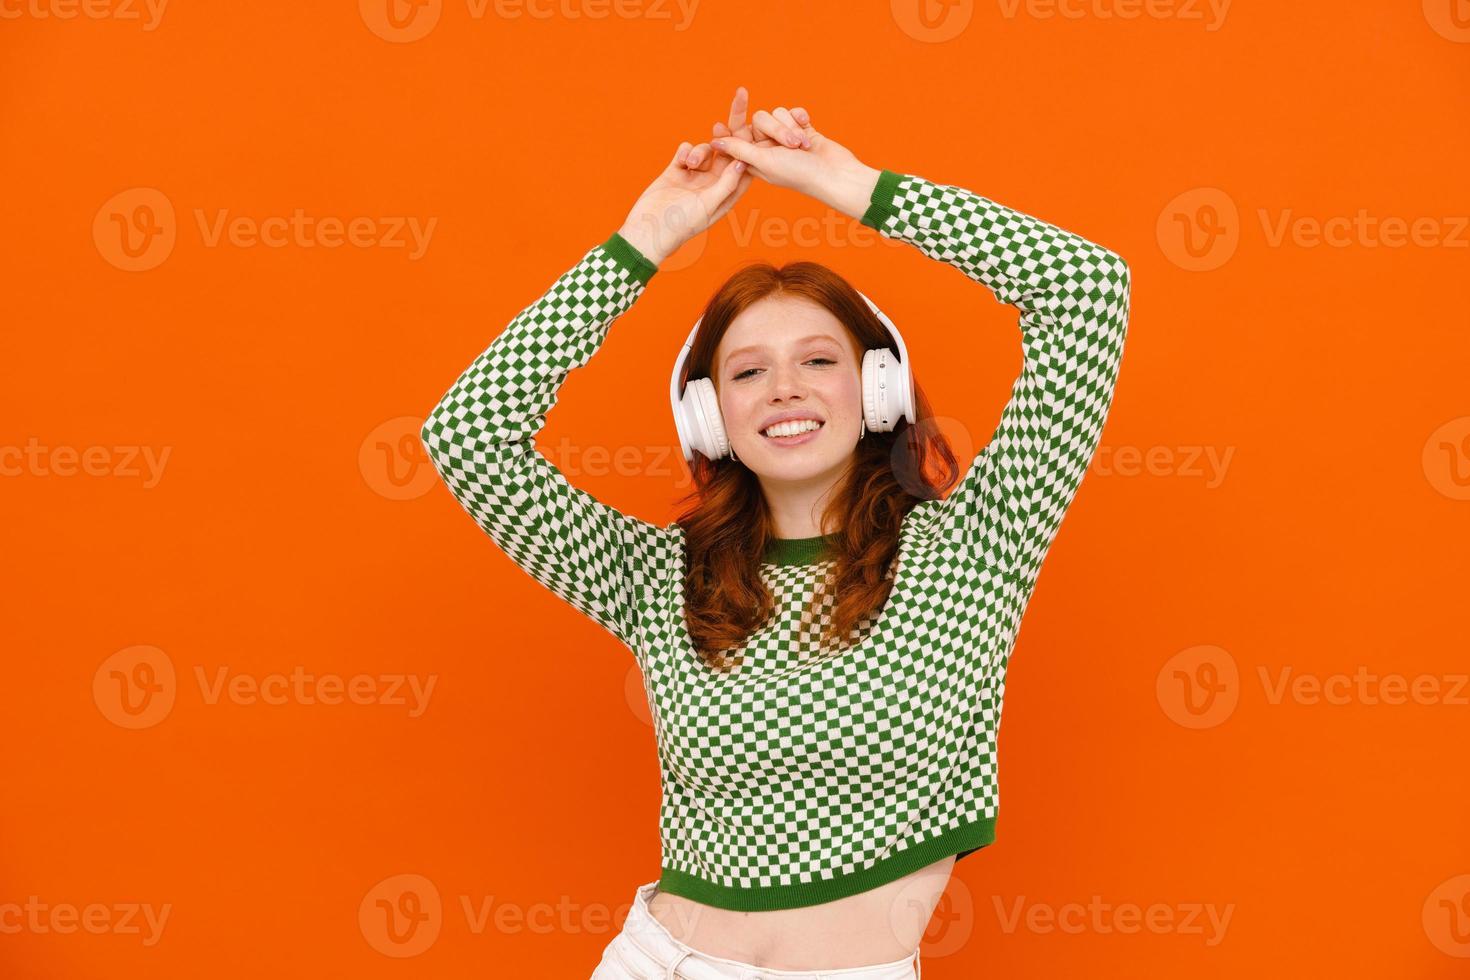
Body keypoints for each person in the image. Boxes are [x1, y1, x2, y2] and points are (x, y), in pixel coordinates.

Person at [420, 86, 1131, 979]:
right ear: (709, 417)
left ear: (876, 390)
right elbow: (467, 434)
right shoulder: (657, 579)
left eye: (820, 361)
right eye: (748, 372)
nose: (785, 389)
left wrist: (858, 188)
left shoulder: (977, 546)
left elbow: (1089, 289)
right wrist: (645, 240)